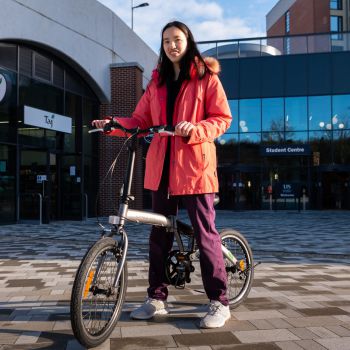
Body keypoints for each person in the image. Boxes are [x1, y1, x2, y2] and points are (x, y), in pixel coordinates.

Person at [92, 21, 232, 329]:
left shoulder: (205, 78)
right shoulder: (156, 83)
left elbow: (222, 118)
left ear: (188, 41)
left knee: (204, 233)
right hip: (162, 169)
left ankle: (219, 302)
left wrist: (197, 129)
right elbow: (140, 119)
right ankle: (156, 298)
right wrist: (113, 124)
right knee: (159, 236)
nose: (172, 45)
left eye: (177, 39)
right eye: (166, 40)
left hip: (195, 169)